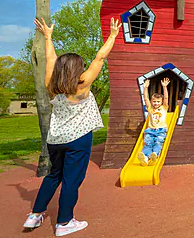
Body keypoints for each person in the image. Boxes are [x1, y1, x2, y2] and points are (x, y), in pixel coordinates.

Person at [23, 16, 121, 236]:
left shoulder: (51, 85)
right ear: (78, 69)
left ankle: (35, 215)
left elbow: (50, 59)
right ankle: (65, 222)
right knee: (71, 180)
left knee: (53, 175)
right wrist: (113, 35)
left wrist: (48, 37)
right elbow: (101, 56)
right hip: (78, 139)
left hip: (55, 139)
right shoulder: (83, 84)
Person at [139, 78, 171, 165]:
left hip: (161, 130)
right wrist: (145, 88)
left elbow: (166, 98)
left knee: (158, 142)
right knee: (148, 143)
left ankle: (154, 156)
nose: (156, 103)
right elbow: (145, 98)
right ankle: (145, 157)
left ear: (161, 102)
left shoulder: (164, 108)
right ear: (151, 102)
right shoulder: (150, 108)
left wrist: (164, 87)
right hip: (150, 130)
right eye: (154, 101)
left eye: (158, 101)